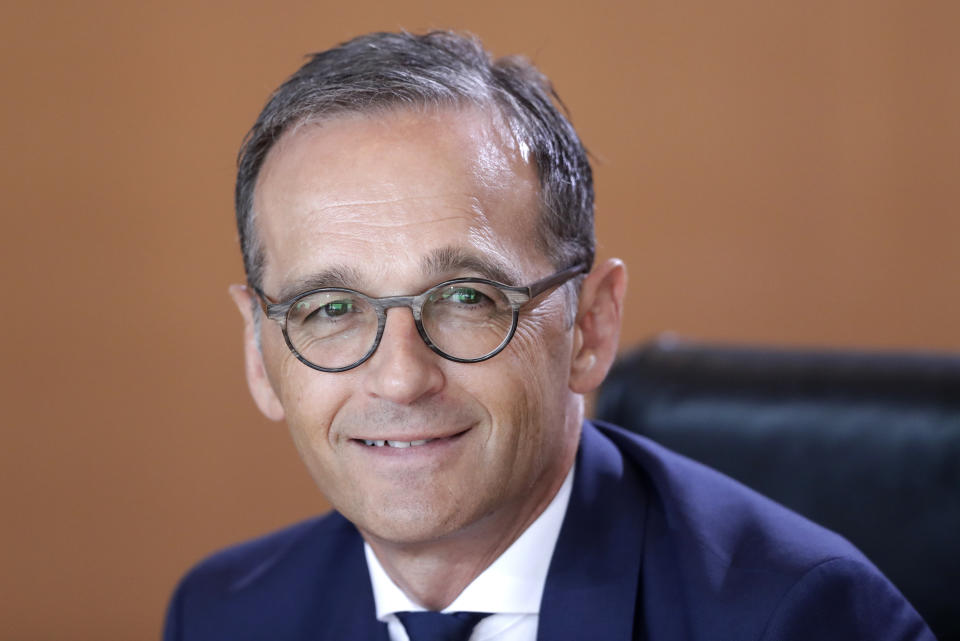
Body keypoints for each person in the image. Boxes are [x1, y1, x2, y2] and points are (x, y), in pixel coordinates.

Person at [163, 31, 934, 641]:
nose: (399, 377)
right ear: (259, 351)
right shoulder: (226, 614)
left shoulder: (800, 617)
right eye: (331, 308)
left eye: (467, 295)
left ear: (590, 326)